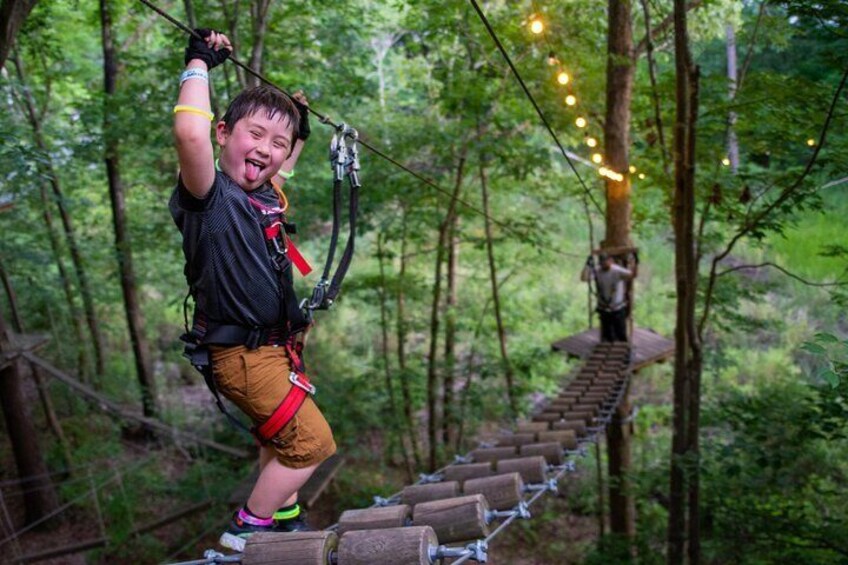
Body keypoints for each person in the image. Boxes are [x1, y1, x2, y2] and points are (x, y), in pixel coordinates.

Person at [169, 29, 335, 552]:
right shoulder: (210, 198)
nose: (265, 149)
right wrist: (198, 63)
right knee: (311, 444)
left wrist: (298, 129)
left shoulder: (264, 194)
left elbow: (281, 162)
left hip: (272, 349)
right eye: (254, 134)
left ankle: (281, 512)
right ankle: (249, 527)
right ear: (223, 133)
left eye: (277, 141)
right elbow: (189, 137)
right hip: (242, 354)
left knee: (280, 437)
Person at [580, 252, 637, 343]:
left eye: (606, 261)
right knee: (607, 337)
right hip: (604, 309)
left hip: (617, 308)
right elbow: (584, 278)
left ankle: (622, 353)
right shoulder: (597, 271)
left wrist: (635, 263)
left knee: (621, 336)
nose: (604, 264)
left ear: (611, 261)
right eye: (602, 262)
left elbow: (632, 275)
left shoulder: (617, 271)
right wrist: (587, 265)